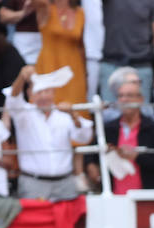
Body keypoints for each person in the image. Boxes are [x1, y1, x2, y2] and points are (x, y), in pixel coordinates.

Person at [6, 64, 95, 200]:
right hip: (33, 183)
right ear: (30, 94)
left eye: (47, 92)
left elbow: (84, 138)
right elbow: (13, 100)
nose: (43, 97)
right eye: (38, 92)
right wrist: (21, 77)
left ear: (54, 93)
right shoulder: (24, 113)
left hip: (64, 182)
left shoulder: (64, 115)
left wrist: (73, 115)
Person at [86, 76, 154, 190]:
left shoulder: (153, 128)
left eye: (129, 95)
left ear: (140, 99)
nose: (124, 100)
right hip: (115, 198)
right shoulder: (109, 128)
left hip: (146, 198)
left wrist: (136, 156)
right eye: (120, 96)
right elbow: (90, 154)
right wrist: (91, 166)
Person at [98, 0, 154, 108]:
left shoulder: (152, 2)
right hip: (111, 63)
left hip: (141, 65)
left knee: (142, 114)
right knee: (109, 114)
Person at [33, 0, 86, 107]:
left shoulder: (80, 12)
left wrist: (86, 73)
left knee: (75, 105)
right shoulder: (45, 7)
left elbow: (81, 46)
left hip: (74, 69)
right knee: (48, 104)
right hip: (49, 65)